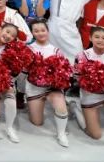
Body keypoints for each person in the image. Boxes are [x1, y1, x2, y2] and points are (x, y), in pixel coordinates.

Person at [25, 18, 72, 147]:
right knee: (37, 122)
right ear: (32, 33)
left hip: (52, 88)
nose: (40, 33)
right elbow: (24, 71)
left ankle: (61, 133)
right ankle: (34, 105)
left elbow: (64, 72)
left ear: (48, 31)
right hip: (34, 87)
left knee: (61, 108)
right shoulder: (28, 49)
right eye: (36, 31)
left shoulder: (56, 50)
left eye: (43, 30)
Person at [73, 25, 104, 139]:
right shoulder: (82, 56)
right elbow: (77, 77)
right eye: (97, 37)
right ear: (90, 38)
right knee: (96, 135)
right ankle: (77, 109)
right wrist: (92, 80)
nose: (100, 40)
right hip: (89, 96)